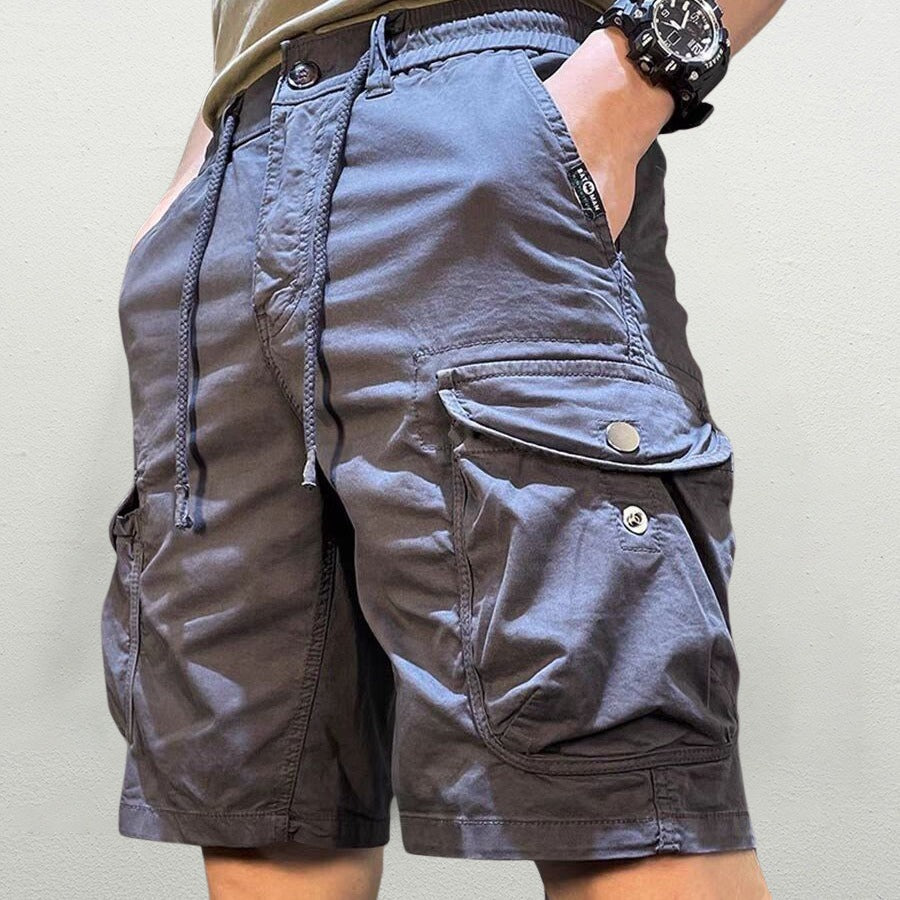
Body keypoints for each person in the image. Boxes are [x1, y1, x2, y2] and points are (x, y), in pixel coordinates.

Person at [101, 0, 784, 896]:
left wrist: (634, 77)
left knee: (617, 801)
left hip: (472, 118)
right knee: (264, 817)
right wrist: (193, 181)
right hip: (236, 169)